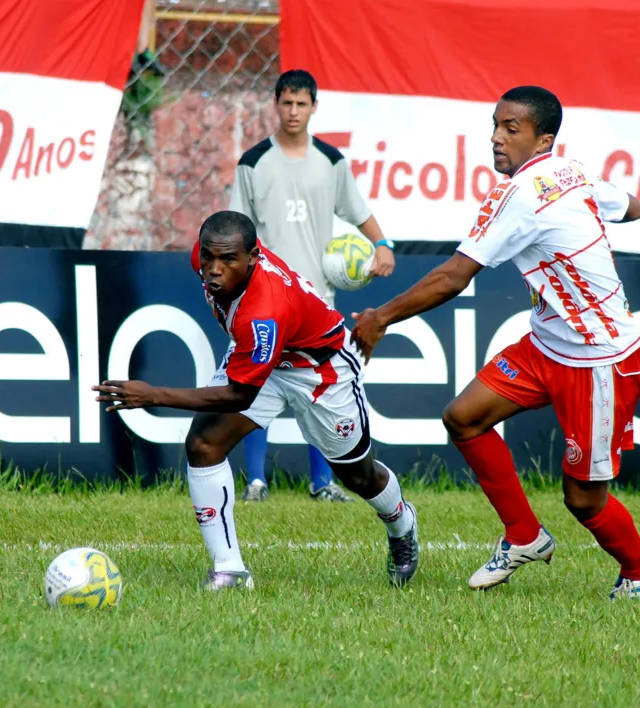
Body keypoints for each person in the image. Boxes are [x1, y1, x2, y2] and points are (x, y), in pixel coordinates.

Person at [351, 86, 640, 600]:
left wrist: (381, 318)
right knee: (464, 417)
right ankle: (524, 536)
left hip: (601, 358)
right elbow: (633, 208)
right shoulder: (572, 170)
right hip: (548, 344)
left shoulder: (520, 195)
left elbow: (454, 276)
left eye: (510, 129)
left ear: (542, 140)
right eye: (495, 126)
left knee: (583, 501)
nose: (496, 138)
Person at [94, 210, 418, 590]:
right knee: (204, 443)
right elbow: (246, 377)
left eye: (228, 260)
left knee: (357, 476)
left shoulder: (264, 311)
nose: (214, 269)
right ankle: (230, 570)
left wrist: (152, 395)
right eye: (208, 258)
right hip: (263, 357)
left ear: (252, 258)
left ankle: (402, 523)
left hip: (319, 370)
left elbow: (238, 395)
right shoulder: (213, 256)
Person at [229, 68, 396, 503]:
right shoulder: (252, 163)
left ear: (314, 107)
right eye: (286, 102)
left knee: (319, 389)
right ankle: (256, 480)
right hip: (263, 298)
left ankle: (322, 483)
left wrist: (381, 244)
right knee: (255, 380)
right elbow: (237, 230)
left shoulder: (331, 161)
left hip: (316, 300)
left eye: (302, 103)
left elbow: (357, 209)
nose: (293, 111)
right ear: (275, 104)